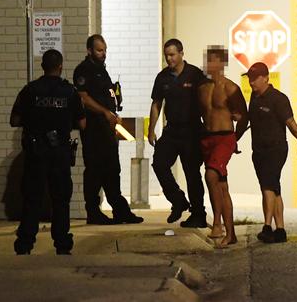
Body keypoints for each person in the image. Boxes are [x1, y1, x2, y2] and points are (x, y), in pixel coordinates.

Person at [11, 49, 86, 255]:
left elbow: (14, 120)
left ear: (43, 66)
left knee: (32, 198)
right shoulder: (70, 92)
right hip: (60, 152)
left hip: (36, 152)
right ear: (60, 67)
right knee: (61, 199)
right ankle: (62, 243)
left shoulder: (29, 90)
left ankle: (25, 243)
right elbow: (82, 123)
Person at [73, 34, 143, 224]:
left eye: (104, 50)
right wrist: (105, 112)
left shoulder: (101, 70)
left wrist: (113, 114)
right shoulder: (84, 70)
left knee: (112, 169)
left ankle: (120, 210)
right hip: (94, 130)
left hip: (107, 129)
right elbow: (83, 97)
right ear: (89, 50)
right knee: (95, 170)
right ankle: (93, 212)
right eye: (99, 50)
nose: (103, 54)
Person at [245, 62, 297, 243]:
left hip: (276, 149)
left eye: (255, 78)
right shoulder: (254, 97)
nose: (252, 82)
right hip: (258, 151)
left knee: (268, 185)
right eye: (250, 78)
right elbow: (247, 120)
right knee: (273, 188)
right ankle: (280, 230)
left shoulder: (278, 98)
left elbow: (291, 124)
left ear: (266, 77)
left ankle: (267, 227)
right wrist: (234, 138)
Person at [148, 39, 207, 228]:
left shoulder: (195, 74)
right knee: (159, 164)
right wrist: (151, 130)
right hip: (172, 130)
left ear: (182, 53)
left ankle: (199, 214)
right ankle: (178, 200)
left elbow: (207, 102)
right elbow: (157, 103)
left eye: (172, 55)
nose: (169, 59)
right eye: (166, 55)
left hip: (192, 131)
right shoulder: (162, 77)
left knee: (192, 173)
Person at [197, 47, 248, 247]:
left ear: (222, 64)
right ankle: (231, 233)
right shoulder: (202, 88)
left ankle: (217, 223)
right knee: (221, 186)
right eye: (207, 60)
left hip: (225, 137)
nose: (208, 65)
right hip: (207, 138)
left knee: (210, 175)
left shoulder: (230, 88)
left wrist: (236, 138)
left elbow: (244, 117)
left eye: (212, 61)